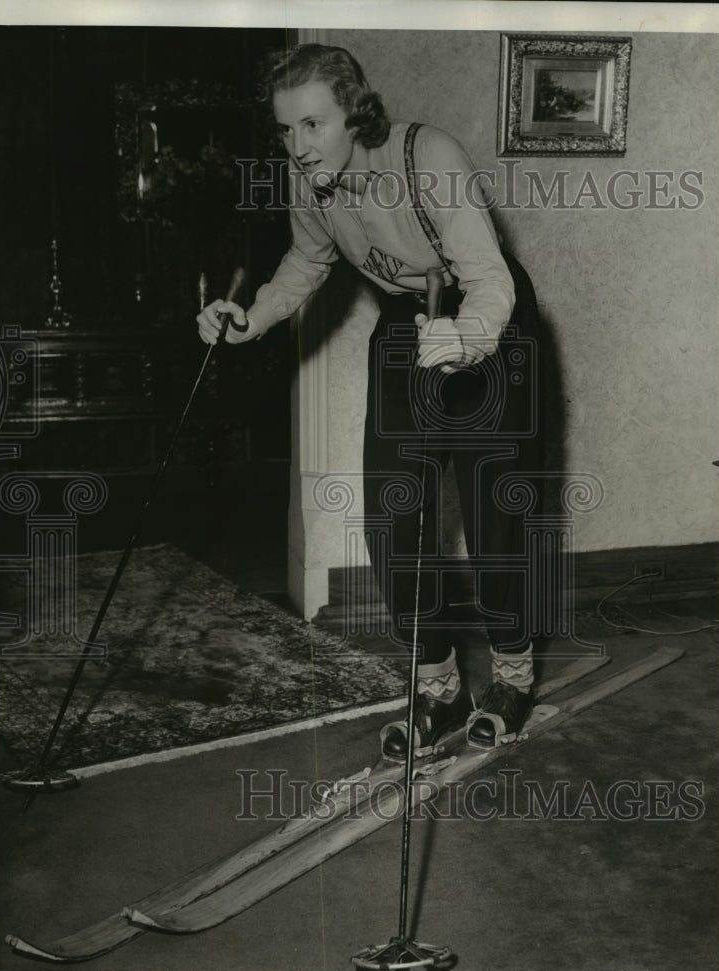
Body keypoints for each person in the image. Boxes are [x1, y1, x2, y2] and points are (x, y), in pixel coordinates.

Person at [197, 43, 543, 760]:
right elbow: (306, 260)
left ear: (355, 114)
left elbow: (491, 278)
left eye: (313, 125)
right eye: (286, 130)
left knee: (492, 516)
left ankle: (512, 676)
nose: (298, 146)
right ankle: (440, 688)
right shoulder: (312, 181)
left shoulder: (428, 155)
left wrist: (467, 341)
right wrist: (251, 318)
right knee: (393, 515)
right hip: (403, 322)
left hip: (489, 321)